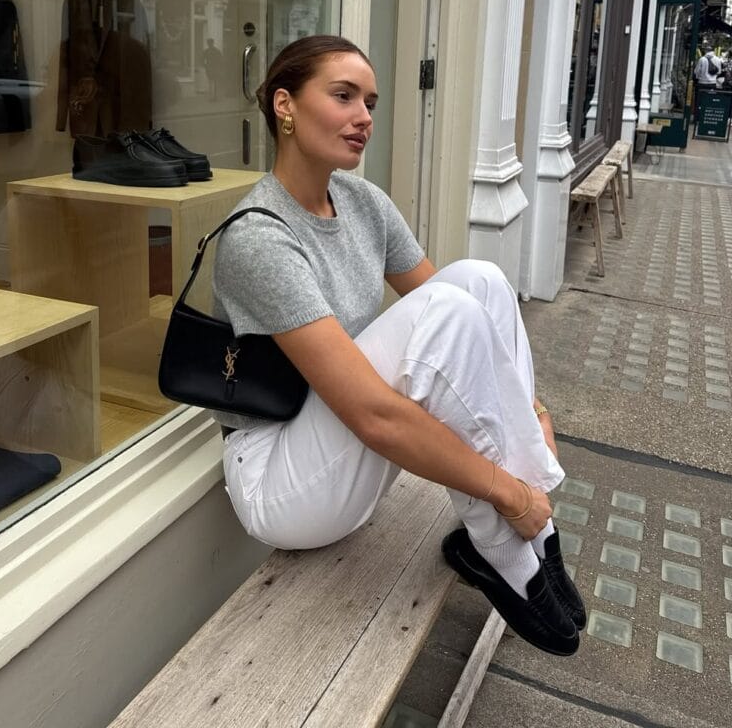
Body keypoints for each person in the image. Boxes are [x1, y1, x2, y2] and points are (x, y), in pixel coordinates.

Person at [212, 35, 585, 656]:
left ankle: (513, 542)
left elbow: (472, 323)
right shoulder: (259, 238)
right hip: (281, 480)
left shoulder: (361, 202)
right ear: (285, 105)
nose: (364, 117)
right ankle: (510, 540)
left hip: (342, 450)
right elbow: (375, 415)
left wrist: (537, 410)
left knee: (480, 282)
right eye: (343, 96)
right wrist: (507, 490)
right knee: (445, 312)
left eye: (372, 102)